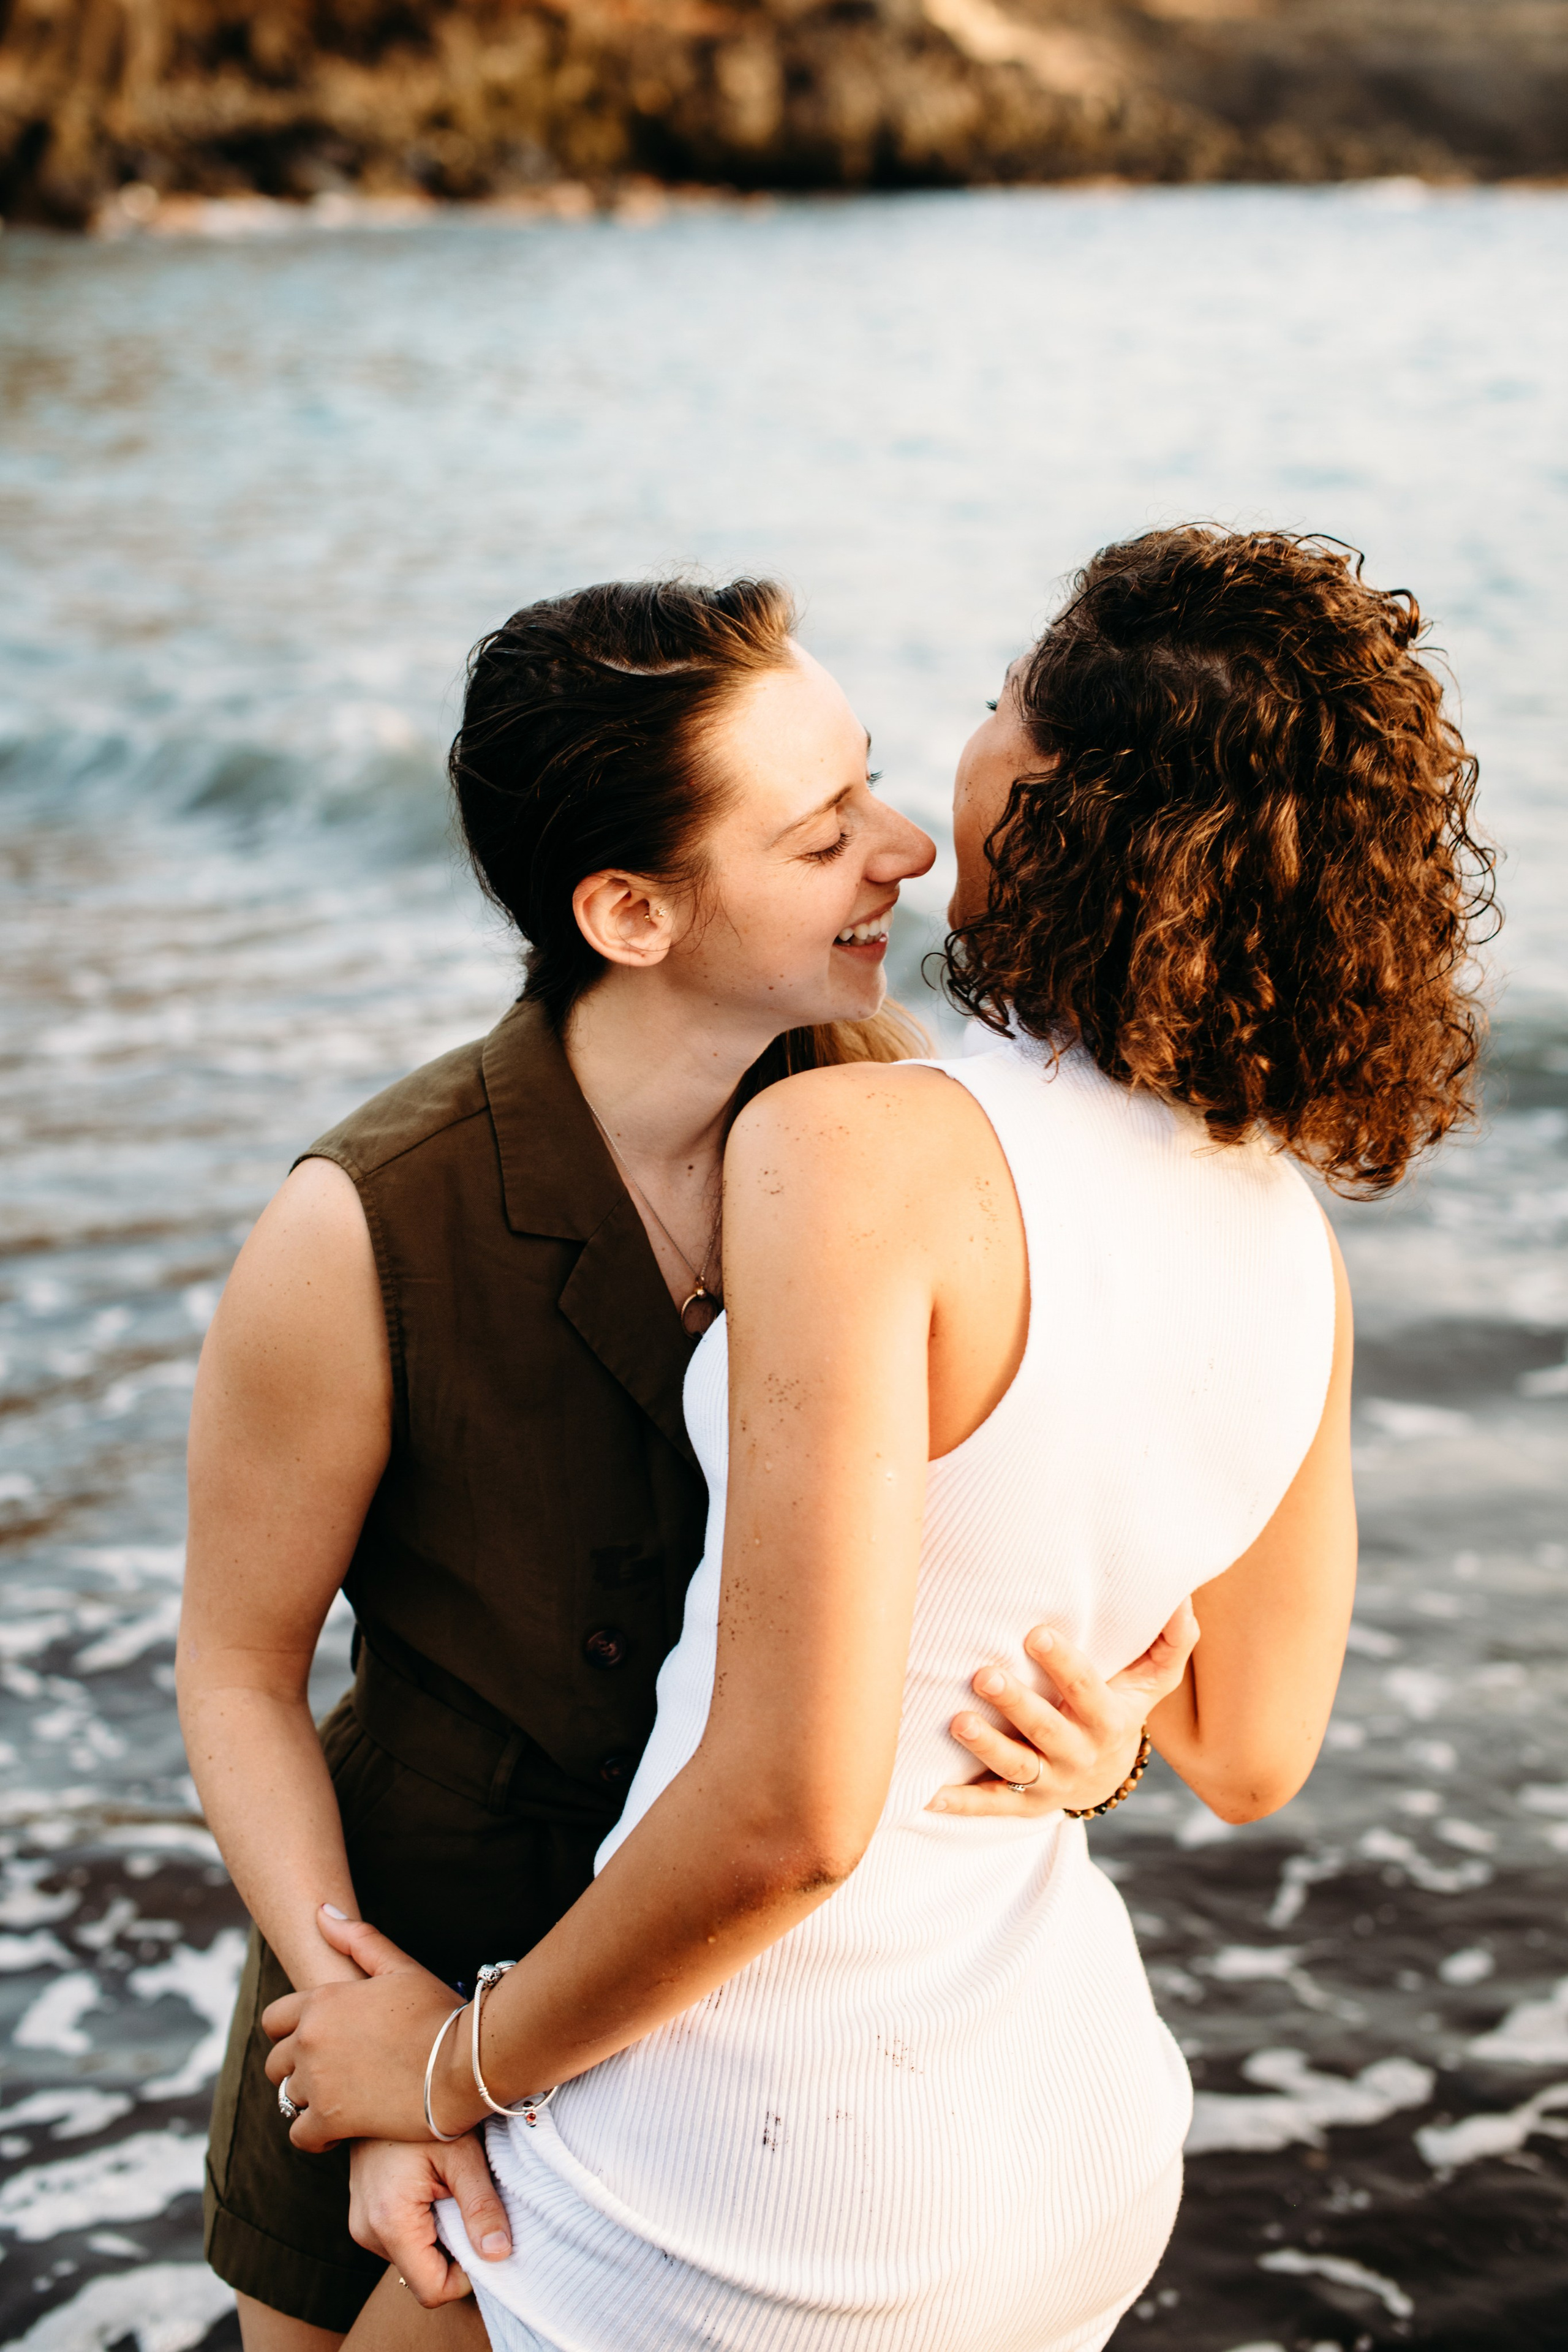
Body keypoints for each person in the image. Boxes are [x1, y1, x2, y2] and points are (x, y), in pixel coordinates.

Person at [264, 526, 1493, 2351]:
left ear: (1077, 800)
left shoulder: (861, 1151)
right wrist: (1107, 1741)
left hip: (762, 2158)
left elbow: (789, 1819)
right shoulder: (1279, 1221)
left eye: (1000, 709)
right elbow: (1253, 1747)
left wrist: (450, 2064)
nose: (929, 807)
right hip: (1064, 2138)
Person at [181, 578, 1170, 2350]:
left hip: (757, 2056)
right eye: (820, 837)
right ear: (630, 910)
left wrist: (1106, 1743)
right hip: (412, 1949)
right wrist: (371, 2031)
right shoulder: (362, 1227)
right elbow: (238, 1665)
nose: (908, 849)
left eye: (874, 780)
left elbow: (1019, 1566)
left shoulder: (917, 1140)